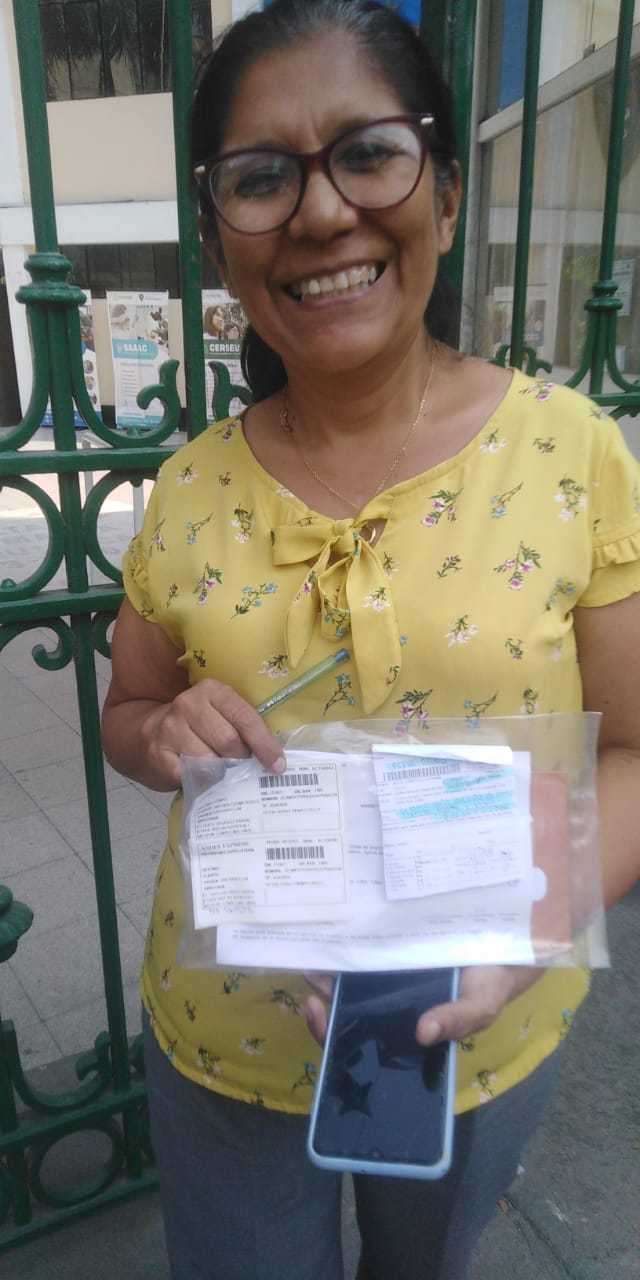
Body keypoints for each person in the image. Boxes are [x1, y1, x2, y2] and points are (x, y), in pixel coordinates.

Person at [101, 2, 640, 1276]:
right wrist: (163, 729)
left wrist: (529, 925)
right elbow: (128, 716)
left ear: (443, 195)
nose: (323, 211)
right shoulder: (187, 489)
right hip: (227, 1045)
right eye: (261, 178)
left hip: (479, 1032)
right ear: (219, 239)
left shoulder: (569, 455)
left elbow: (633, 749)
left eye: (369, 154)